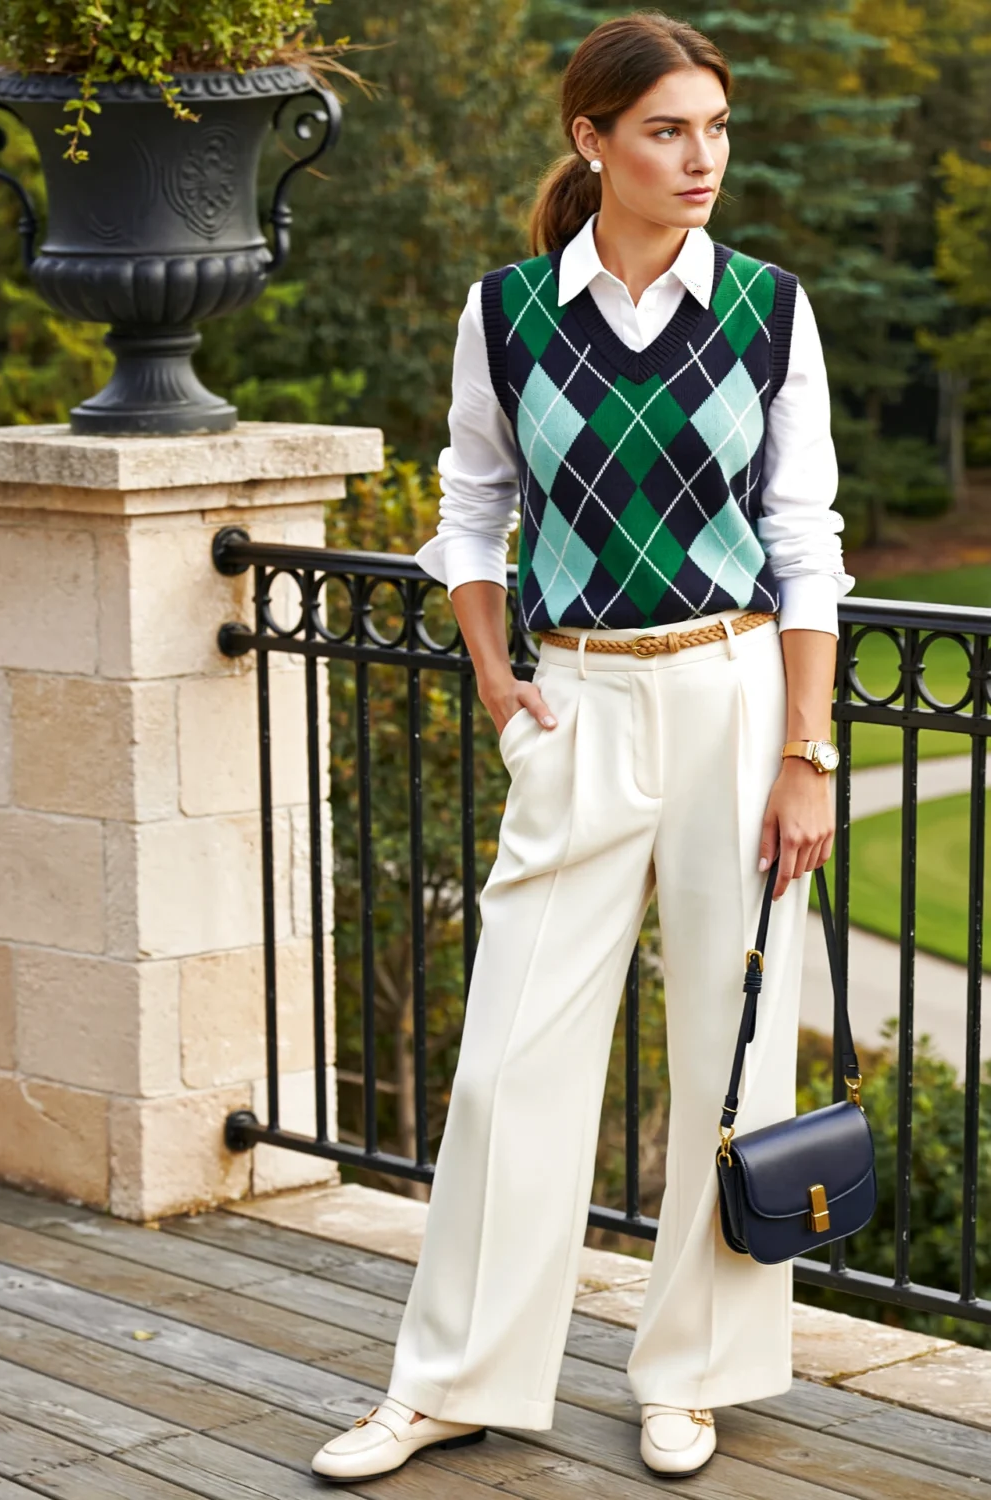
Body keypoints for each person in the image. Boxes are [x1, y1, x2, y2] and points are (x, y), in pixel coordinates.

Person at [311, 9, 854, 1486]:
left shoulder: (767, 308)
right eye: (668, 130)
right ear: (592, 140)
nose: (701, 159)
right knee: (506, 1064)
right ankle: (453, 1380)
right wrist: (496, 679)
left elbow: (807, 545)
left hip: (740, 700)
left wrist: (809, 751)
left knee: (726, 1064)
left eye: (717, 130)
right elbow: (469, 507)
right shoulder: (506, 313)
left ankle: (694, 1371)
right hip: (578, 703)